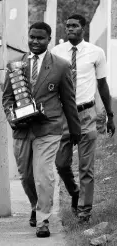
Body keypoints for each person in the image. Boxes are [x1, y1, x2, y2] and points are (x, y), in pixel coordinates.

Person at [2, 22, 81, 238]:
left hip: (49, 128)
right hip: (22, 130)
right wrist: (12, 118)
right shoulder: (15, 64)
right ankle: (35, 204)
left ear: (49, 40)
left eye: (40, 38)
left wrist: (75, 130)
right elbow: (7, 97)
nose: (35, 41)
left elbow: (68, 101)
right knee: (26, 176)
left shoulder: (61, 66)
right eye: (32, 37)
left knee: (43, 174)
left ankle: (43, 219)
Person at [51, 14, 115, 223]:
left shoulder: (96, 53)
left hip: (86, 114)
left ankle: (84, 212)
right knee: (61, 164)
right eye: (67, 25)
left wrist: (110, 115)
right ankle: (74, 191)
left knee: (87, 167)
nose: (70, 29)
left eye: (74, 26)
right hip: (62, 115)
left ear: (83, 29)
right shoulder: (56, 52)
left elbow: (103, 85)